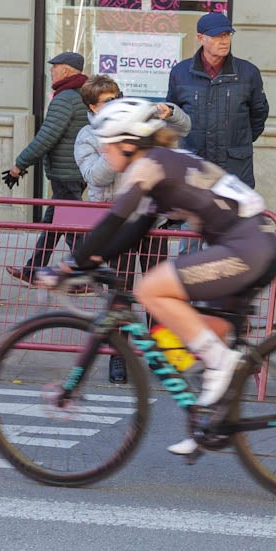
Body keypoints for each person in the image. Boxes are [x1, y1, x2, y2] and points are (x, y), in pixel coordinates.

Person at [41, 97, 276, 455]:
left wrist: (67, 265)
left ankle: (221, 364)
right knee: (203, 335)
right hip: (257, 245)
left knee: (151, 290)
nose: (104, 151)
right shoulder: (167, 161)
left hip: (245, 249)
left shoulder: (148, 165)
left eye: (108, 144)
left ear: (128, 144)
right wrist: (91, 260)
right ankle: (207, 424)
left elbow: (112, 222)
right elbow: (135, 229)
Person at [73, 76, 190, 385]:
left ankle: (161, 353)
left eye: (117, 97)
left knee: (159, 290)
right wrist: (117, 148)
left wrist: (169, 111)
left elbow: (183, 127)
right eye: (107, 101)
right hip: (117, 221)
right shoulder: (87, 136)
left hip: (152, 219)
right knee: (120, 292)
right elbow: (94, 177)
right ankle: (119, 355)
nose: (115, 104)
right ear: (92, 107)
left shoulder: (136, 124)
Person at [5, 52, 92, 284]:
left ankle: (84, 278)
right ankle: (32, 271)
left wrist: (19, 164)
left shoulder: (65, 98)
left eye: (55, 67)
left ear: (66, 70)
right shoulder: (80, 94)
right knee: (54, 226)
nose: (51, 71)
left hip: (66, 174)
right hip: (73, 172)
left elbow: (46, 137)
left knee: (73, 230)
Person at [166, 11, 269, 187]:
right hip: (194, 166)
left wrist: (239, 141)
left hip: (234, 168)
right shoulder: (181, 73)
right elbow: (174, 116)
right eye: (217, 36)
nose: (224, 41)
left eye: (228, 34)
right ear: (201, 38)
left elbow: (259, 114)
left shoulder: (248, 72)